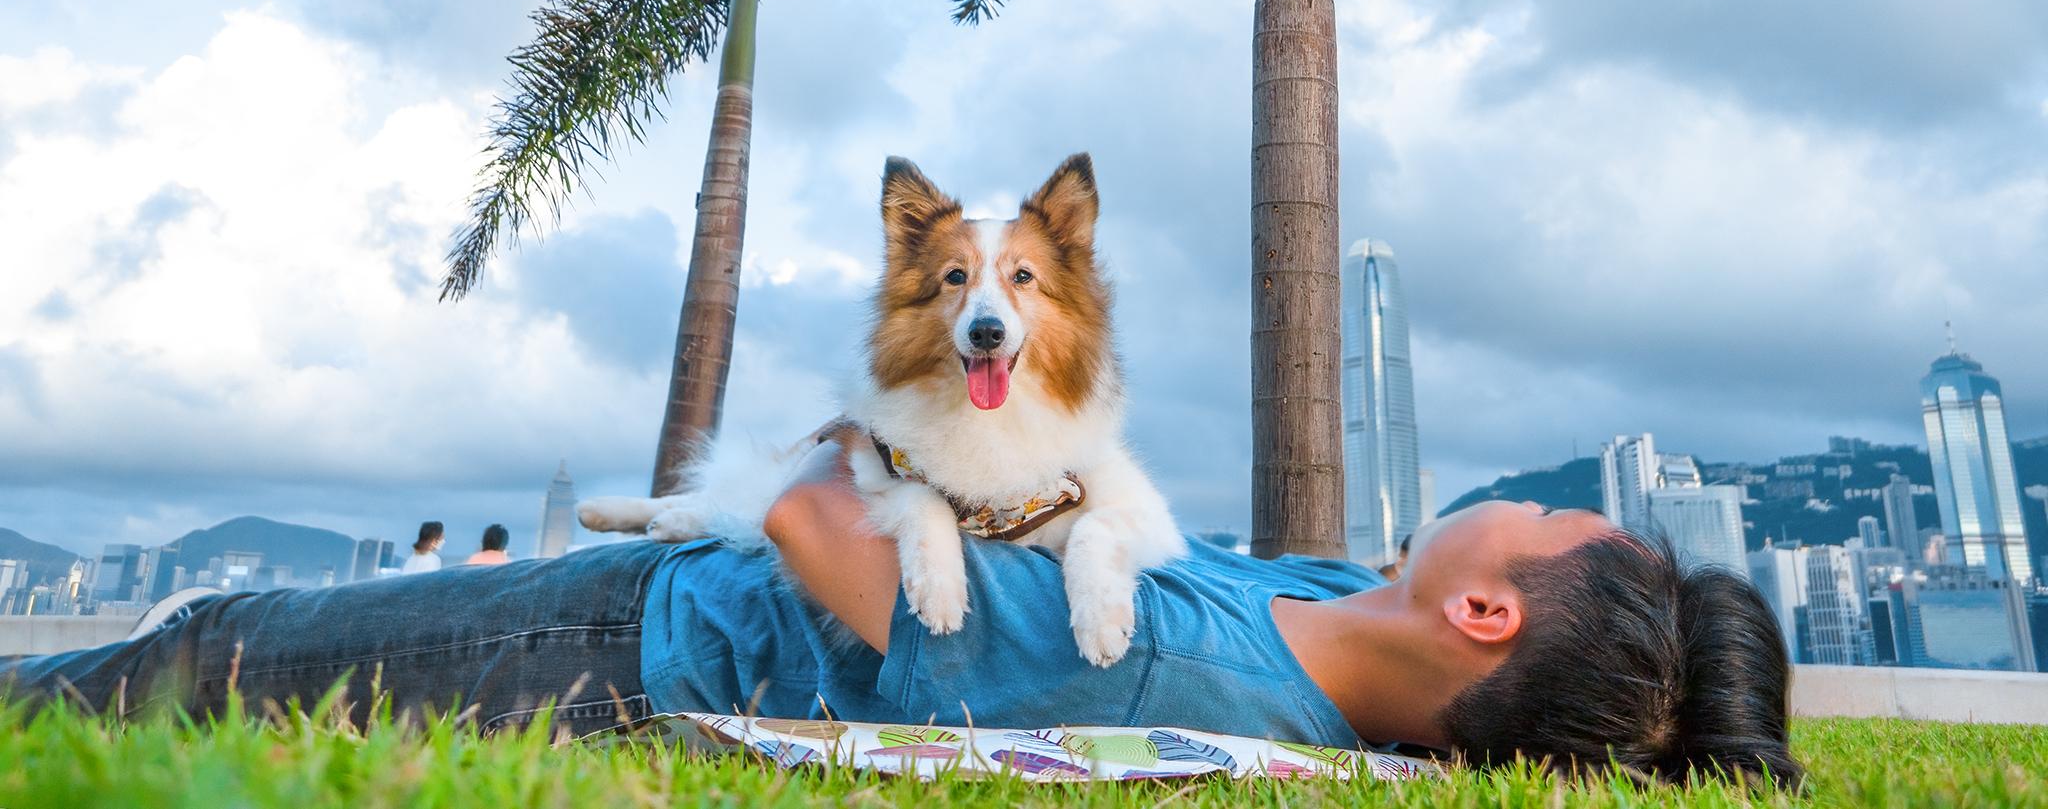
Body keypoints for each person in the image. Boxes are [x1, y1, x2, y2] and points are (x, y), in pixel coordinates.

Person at [0, 430, 1800, 783]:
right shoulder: (1335, 621)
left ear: (1491, 610)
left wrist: (892, 422)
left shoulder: (1165, 657)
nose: (1535, 489)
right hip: (645, 608)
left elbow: (808, 519)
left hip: (619, 638)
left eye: (1558, 517)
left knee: (194, 653)